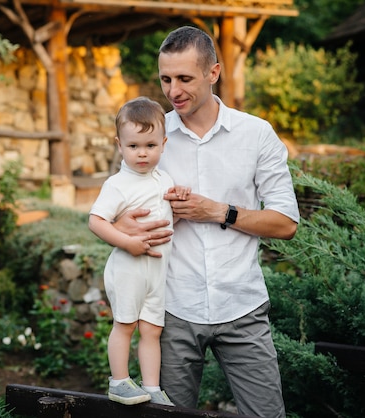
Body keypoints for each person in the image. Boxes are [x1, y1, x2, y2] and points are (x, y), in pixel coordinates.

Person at [112, 26, 300, 417]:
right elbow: (116, 221)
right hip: (172, 310)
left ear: (213, 73)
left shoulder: (256, 134)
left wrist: (217, 211)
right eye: (165, 79)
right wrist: (138, 223)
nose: (173, 91)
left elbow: (285, 223)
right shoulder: (149, 137)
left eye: (184, 78)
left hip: (242, 305)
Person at [88, 96, 190, 406]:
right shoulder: (118, 184)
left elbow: (173, 214)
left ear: (163, 142)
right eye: (133, 146)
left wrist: (181, 197)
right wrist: (127, 241)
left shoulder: (165, 179)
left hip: (156, 272)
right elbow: (96, 221)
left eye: (150, 145)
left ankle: (152, 387)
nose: (142, 153)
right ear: (119, 145)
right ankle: (119, 381)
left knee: (152, 330)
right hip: (128, 267)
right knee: (126, 324)